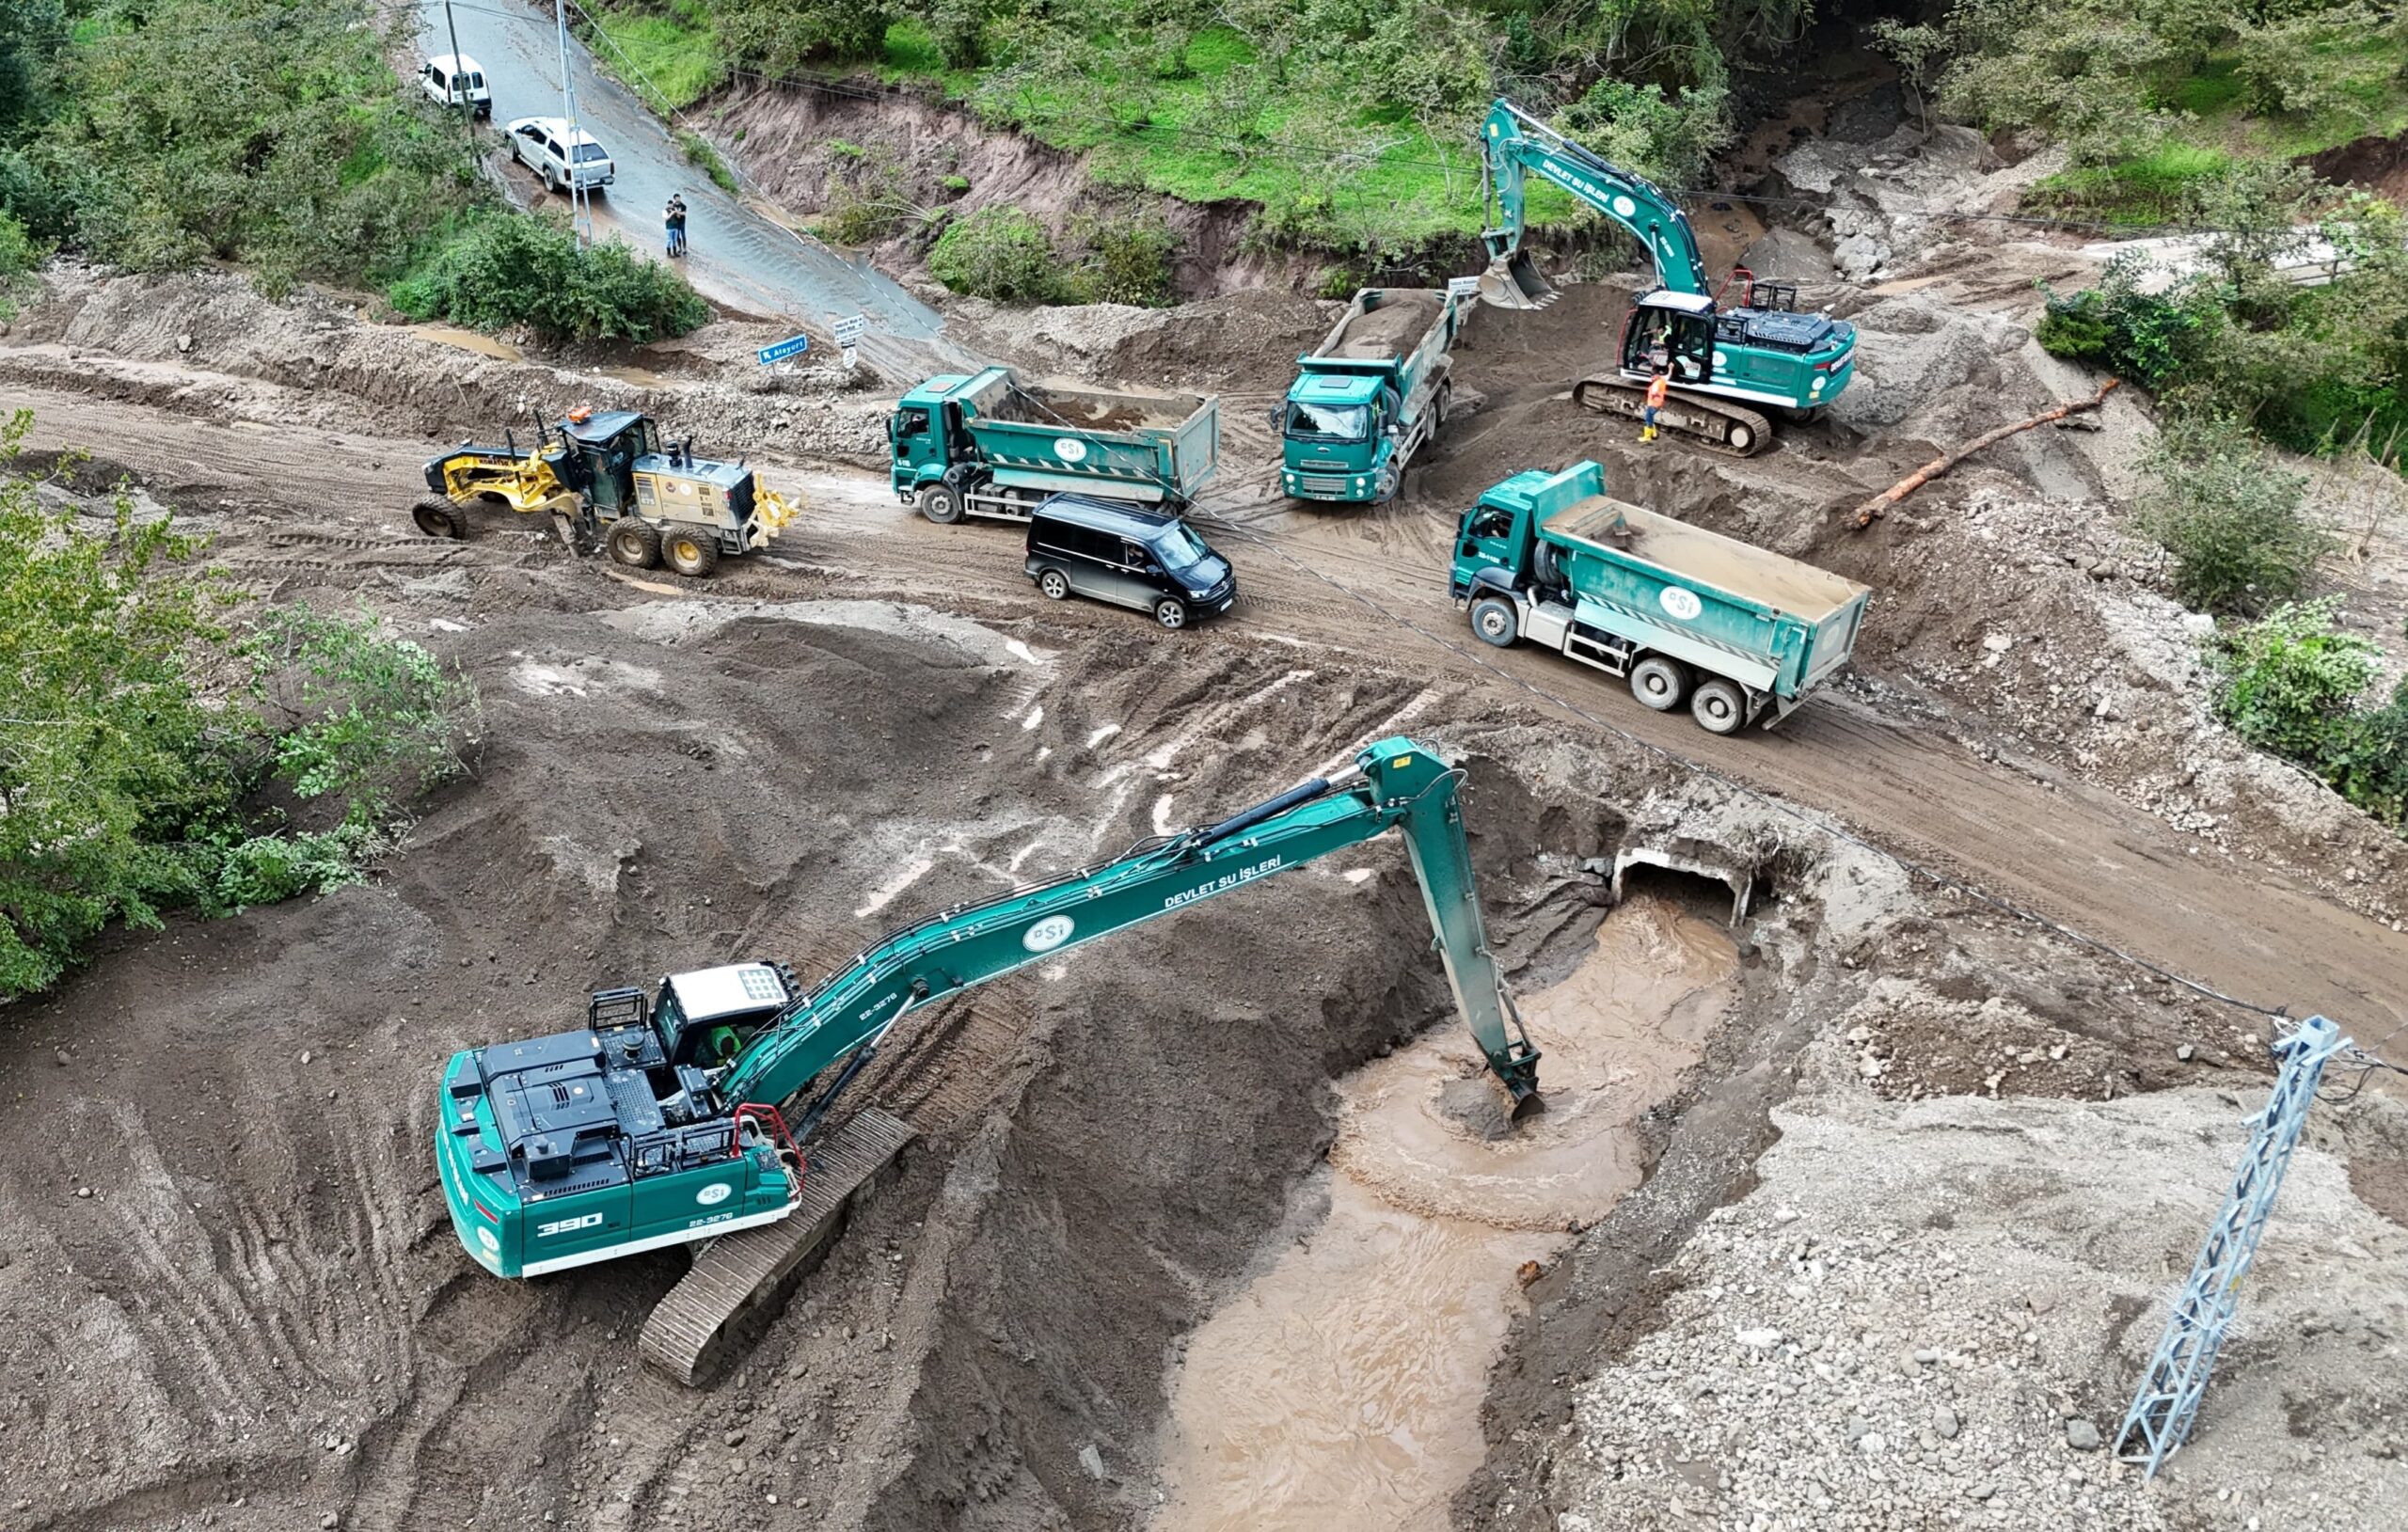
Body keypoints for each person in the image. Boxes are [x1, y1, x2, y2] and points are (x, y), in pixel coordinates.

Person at [1641, 365, 1670, 443]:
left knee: (1648, 419)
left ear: (1656, 376)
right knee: (1650, 418)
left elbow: (1654, 392)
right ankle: (1654, 433)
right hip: (1658, 403)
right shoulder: (1662, 380)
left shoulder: (1656, 384)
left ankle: (1647, 437)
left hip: (1653, 404)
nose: (1651, 378)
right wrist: (1670, 368)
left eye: (1652, 376)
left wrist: (1653, 394)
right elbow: (1668, 376)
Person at [664, 194, 688, 258]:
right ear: (674, 199)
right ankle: (679, 248)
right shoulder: (673, 206)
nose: (678, 199)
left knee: (683, 235)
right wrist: (671, 210)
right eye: (676, 198)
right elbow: (667, 210)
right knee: (676, 237)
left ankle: (684, 248)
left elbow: (683, 214)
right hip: (675, 224)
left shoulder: (683, 206)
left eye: (679, 198)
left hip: (682, 223)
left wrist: (676, 212)